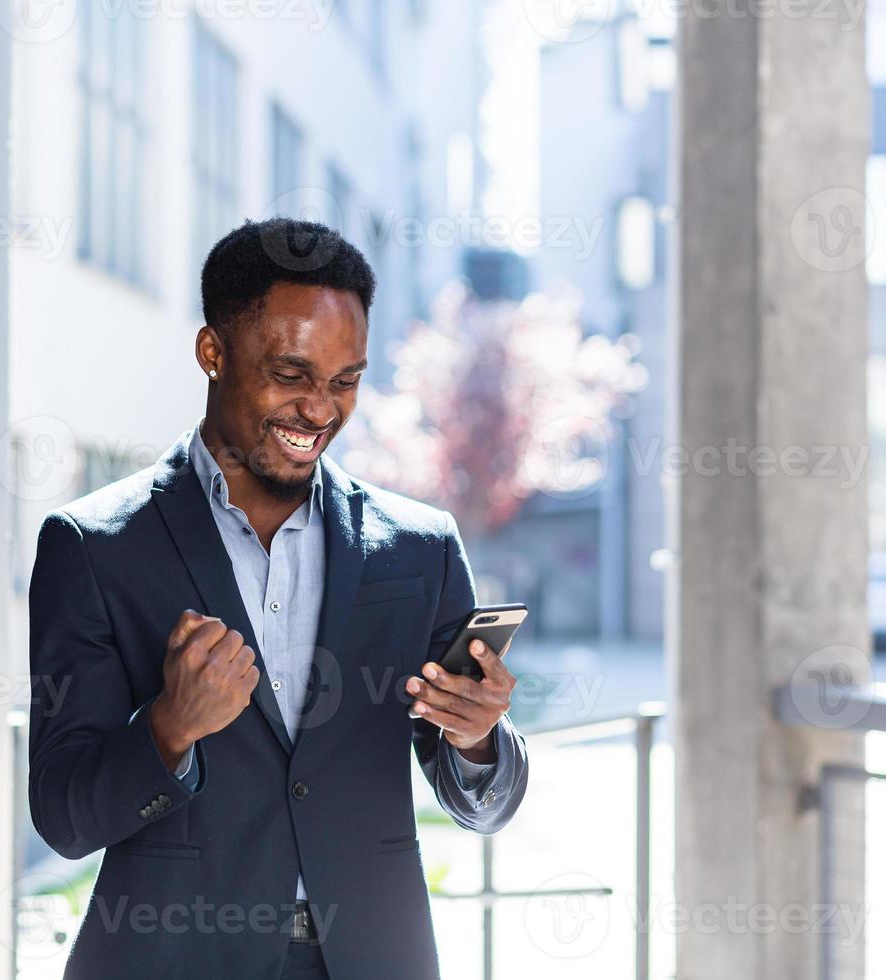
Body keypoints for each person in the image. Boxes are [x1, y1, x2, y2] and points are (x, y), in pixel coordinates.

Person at [28, 217, 529, 979]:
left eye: (345, 381)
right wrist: (168, 728)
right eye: (291, 375)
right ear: (213, 353)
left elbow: (484, 801)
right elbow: (64, 818)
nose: (320, 410)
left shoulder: (420, 548)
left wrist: (477, 739)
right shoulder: (96, 547)